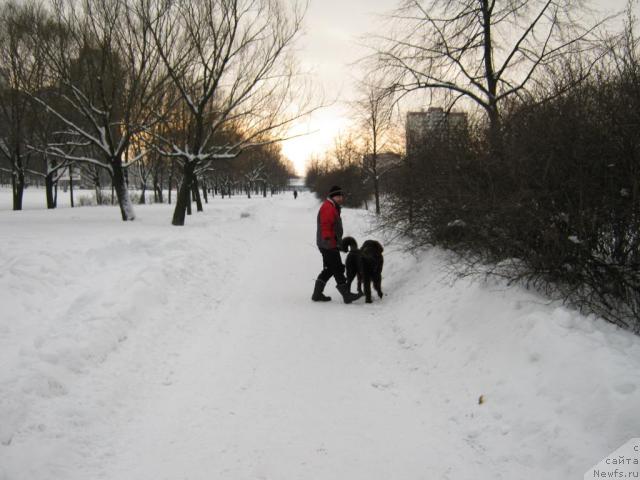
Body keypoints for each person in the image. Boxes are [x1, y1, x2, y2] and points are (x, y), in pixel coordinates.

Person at [311, 185, 362, 304]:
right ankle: (347, 295)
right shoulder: (328, 207)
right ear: (333, 196)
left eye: (341, 196)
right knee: (338, 268)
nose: (340, 198)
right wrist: (329, 239)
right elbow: (326, 225)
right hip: (327, 244)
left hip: (328, 243)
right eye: (338, 196)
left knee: (329, 269)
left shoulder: (332, 206)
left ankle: (317, 294)